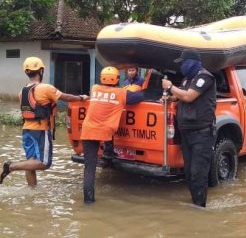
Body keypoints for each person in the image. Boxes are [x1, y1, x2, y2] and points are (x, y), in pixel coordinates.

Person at [0, 57, 89, 186]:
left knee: (30, 162)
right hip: (40, 130)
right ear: (41, 71)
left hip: (26, 130)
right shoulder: (45, 88)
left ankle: (32, 191)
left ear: (27, 72)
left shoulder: (22, 92)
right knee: (44, 163)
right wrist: (81, 97)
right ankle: (11, 167)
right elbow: (66, 97)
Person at [80, 66, 144, 203]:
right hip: (106, 132)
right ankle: (109, 154)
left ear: (101, 78)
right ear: (117, 79)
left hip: (88, 130)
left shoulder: (95, 88)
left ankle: (88, 201)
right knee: (109, 136)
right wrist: (134, 88)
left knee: (89, 168)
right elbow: (140, 96)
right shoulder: (121, 93)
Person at [161, 49, 216, 207]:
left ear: (192, 62)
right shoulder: (187, 79)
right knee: (189, 174)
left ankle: (199, 211)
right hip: (187, 133)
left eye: (184, 62)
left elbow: (188, 96)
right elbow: (181, 96)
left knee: (198, 174)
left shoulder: (204, 77)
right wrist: (169, 97)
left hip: (202, 134)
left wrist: (170, 86)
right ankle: (195, 206)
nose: (182, 66)